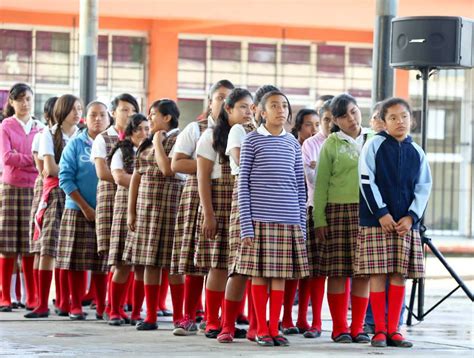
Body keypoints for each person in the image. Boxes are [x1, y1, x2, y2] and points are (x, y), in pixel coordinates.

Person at [235, 90, 309, 347]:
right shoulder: (252, 141)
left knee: (279, 276)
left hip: (288, 220)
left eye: (285, 106)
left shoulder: (292, 143)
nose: (281, 110)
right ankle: (261, 329)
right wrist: (246, 225)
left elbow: (300, 186)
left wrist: (301, 225)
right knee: (259, 275)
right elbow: (243, 184)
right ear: (261, 112)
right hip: (259, 220)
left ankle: (273, 327)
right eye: (274, 106)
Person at [356, 97, 432, 348]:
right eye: (393, 118)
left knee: (399, 275)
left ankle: (394, 329)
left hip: (405, 224)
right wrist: (381, 213)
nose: (400, 122)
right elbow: (367, 181)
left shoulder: (417, 151)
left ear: (412, 119)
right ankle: (378, 330)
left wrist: (411, 216)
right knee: (378, 274)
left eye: (404, 117)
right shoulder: (374, 145)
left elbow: (423, 186)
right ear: (383, 122)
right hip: (377, 222)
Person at [170, 80, 234, 336]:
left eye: (228, 99)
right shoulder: (196, 129)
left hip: (228, 197)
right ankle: (188, 315)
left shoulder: (240, 130)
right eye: (219, 98)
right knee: (196, 261)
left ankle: (219, 316)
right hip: (198, 196)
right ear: (210, 102)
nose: (223, 103)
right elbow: (176, 164)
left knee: (223, 261)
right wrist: (205, 167)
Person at [193, 88, 254, 342]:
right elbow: (202, 177)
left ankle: (232, 319)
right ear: (227, 109)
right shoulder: (210, 136)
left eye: (250, 107)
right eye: (241, 107)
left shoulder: (252, 135)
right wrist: (208, 213)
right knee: (217, 265)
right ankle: (211, 320)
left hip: (243, 200)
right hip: (218, 199)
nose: (247, 112)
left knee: (240, 265)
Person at [313, 93, 372, 344]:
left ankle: (358, 327)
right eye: (344, 115)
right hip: (337, 212)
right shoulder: (332, 144)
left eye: (354, 111)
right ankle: (339, 327)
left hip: (368, 212)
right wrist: (319, 219)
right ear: (335, 120)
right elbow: (321, 183)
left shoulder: (373, 139)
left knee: (363, 273)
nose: (351, 118)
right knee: (337, 272)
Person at [123, 99, 184, 331]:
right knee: (149, 263)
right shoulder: (146, 143)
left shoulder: (179, 139)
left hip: (170, 209)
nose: (149, 119)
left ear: (167, 117)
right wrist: (131, 210)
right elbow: (137, 176)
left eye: (153, 115)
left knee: (173, 265)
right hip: (146, 209)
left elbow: (167, 169)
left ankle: (179, 316)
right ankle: (150, 316)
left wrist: (158, 142)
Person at [25, 94, 81, 318]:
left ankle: (66, 302)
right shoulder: (48, 133)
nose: (78, 113)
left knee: (68, 248)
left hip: (75, 194)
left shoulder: (81, 135)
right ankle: (41, 303)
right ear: (62, 110)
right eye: (73, 109)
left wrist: (68, 171)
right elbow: (49, 169)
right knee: (47, 248)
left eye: (80, 109)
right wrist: (72, 171)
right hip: (55, 193)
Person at [56, 101, 110, 320]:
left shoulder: (114, 143)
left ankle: (100, 306)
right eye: (93, 115)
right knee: (75, 261)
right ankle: (75, 305)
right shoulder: (75, 144)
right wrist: (85, 207)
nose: (97, 119)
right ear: (84, 119)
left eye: (102, 115)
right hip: (77, 209)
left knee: (102, 261)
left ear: (109, 118)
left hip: (105, 211)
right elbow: (64, 178)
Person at [91, 93, 139, 318]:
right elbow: (103, 172)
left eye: (132, 110)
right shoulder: (104, 138)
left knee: (130, 255)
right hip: (111, 199)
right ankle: (111, 306)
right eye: (124, 110)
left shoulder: (140, 140)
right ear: (113, 112)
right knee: (116, 255)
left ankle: (122, 304)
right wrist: (132, 182)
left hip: (135, 199)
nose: (129, 114)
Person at [0, 83, 44, 312]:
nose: (25, 103)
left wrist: (24, 159)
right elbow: (7, 158)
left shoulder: (40, 127)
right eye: (20, 99)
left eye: (28, 98)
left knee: (30, 244)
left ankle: (32, 296)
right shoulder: (5, 126)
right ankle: (5, 296)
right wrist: (32, 160)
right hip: (11, 187)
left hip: (34, 189)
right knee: (7, 244)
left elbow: (43, 161)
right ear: (12, 102)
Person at [107, 114, 149, 326]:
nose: (144, 133)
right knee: (123, 264)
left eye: (147, 129)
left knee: (141, 264)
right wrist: (145, 183)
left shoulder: (150, 151)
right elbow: (119, 177)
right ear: (131, 132)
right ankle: (115, 309)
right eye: (139, 129)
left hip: (146, 208)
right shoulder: (121, 151)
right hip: (125, 207)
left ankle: (135, 312)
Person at [282, 108, 319, 336]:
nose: (313, 129)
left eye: (317, 124)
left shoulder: (321, 146)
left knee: (309, 267)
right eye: (308, 124)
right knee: (291, 268)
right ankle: (285, 316)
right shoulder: (292, 146)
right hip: (292, 211)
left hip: (313, 211)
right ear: (298, 127)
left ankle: (303, 317)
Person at [298, 99, 333, 338]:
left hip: (342, 208)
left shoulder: (347, 142)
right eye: (326, 119)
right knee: (315, 269)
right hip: (314, 208)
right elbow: (310, 177)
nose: (331, 124)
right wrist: (321, 170)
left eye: (334, 118)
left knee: (341, 270)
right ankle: (313, 321)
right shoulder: (311, 143)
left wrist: (319, 167)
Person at [28, 96, 58, 312]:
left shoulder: (76, 135)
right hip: (47, 189)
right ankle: (40, 299)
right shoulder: (43, 135)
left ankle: (60, 298)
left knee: (59, 248)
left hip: (63, 187)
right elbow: (44, 170)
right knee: (43, 247)